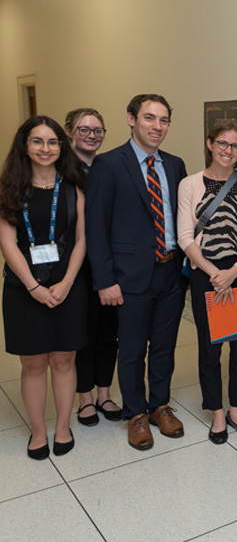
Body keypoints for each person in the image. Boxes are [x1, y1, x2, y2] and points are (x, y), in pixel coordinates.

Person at [85, 94, 188, 451]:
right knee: (131, 350)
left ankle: (159, 405)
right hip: (128, 277)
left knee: (164, 347)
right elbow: (96, 228)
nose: (157, 126)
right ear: (131, 119)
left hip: (171, 273)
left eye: (163, 120)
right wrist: (105, 280)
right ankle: (135, 414)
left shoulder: (175, 165)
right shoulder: (108, 165)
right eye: (149, 118)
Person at [0, 116, 88, 459]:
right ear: (25, 145)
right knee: (33, 364)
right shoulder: (10, 188)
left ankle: (63, 426)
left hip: (68, 286)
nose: (46, 148)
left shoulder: (73, 187)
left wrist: (66, 283)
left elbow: (82, 240)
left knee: (65, 360)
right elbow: (7, 243)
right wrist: (34, 287)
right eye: (37, 141)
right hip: (24, 289)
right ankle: (39, 431)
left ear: (61, 146)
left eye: (53, 142)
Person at [177, 120, 237, 444]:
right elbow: (185, 237)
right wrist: (214, 272)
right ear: (210, 144)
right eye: (223, 144)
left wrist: (234, 270)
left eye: (235, 146)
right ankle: (216, 412)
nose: (228, 151)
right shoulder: (189, 184)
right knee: (210, 347)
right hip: (205, 274)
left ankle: (236, 409)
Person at [64, 108, 122, 426]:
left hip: (110, 262)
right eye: (85, 129)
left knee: (108, 330)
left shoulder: (109, 166)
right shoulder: (62, 170)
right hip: (77, 265)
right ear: (70, 131)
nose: (91, 136)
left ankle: (104, 392)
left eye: (98, 130)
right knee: (83, 331)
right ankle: (84, 397)